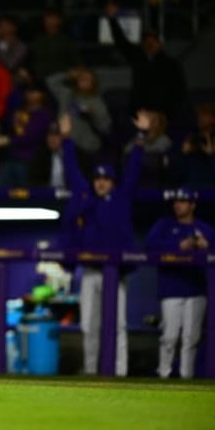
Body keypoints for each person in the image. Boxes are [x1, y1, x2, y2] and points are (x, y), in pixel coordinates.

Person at [60, 111, 147, 376]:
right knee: (89, 324)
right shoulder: (87, 196)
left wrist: (141, 137)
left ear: (112, 182)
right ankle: (90, 370)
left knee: (118, 324)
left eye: (105, 179)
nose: (100, 182)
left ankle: (119, 373)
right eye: (98, 178)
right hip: (89, 271)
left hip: (115, 272)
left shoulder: (121, 197)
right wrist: (66, 139)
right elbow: (72, 170)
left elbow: (133, 170)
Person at [145, 188, 215, 379]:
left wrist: (207, 246)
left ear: (192, 205)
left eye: (183, 201)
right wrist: (179, 245)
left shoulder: (204, 229)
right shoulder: (164, 225)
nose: (178, 204)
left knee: (191, 338)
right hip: (171, 287)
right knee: (169, 336)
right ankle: (164, 374)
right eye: (176, 201)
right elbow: (150, 245)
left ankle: (186, 377)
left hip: (196, 289)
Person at [104, 0, 188, 118]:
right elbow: (121, 41)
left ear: (160, 44)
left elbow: (180, 91)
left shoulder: (171, 64)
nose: (149, 44)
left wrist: (172, 112)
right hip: (139, 111)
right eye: (146, 42)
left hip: (163, 114)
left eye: (153, 41)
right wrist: (112, 19)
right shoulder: (137, 57)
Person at [46, 67, 111, 157]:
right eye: (81, 78)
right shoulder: (66, 94)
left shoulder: (97, 102)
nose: (84, 81)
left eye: (88, 79)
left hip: (85, 147)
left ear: (93, 83)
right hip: (63, 144)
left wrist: (92, 116)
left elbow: (105, 128)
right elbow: (50, 81)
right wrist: (68, 75)